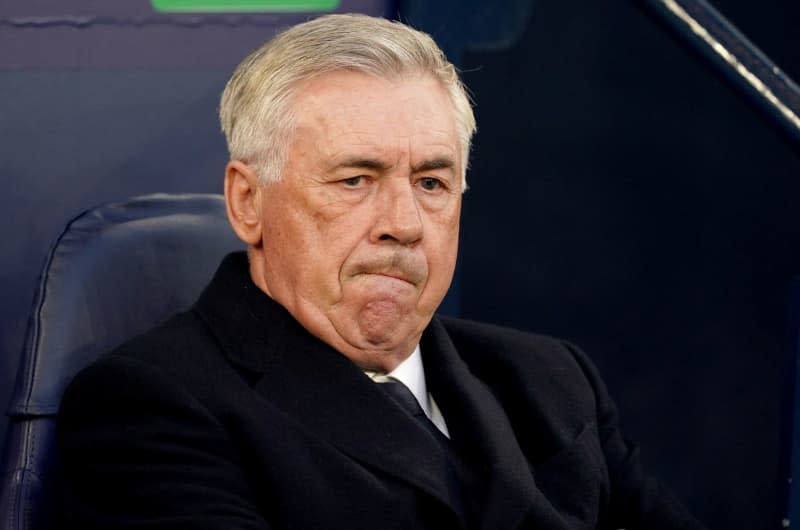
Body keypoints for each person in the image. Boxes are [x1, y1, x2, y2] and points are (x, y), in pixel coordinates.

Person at [56, 13, 705, 530]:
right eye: (356, 178)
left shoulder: (553, 380)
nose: (405, 221)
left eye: (431, 181)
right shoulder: (153, 407)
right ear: (249, 203)